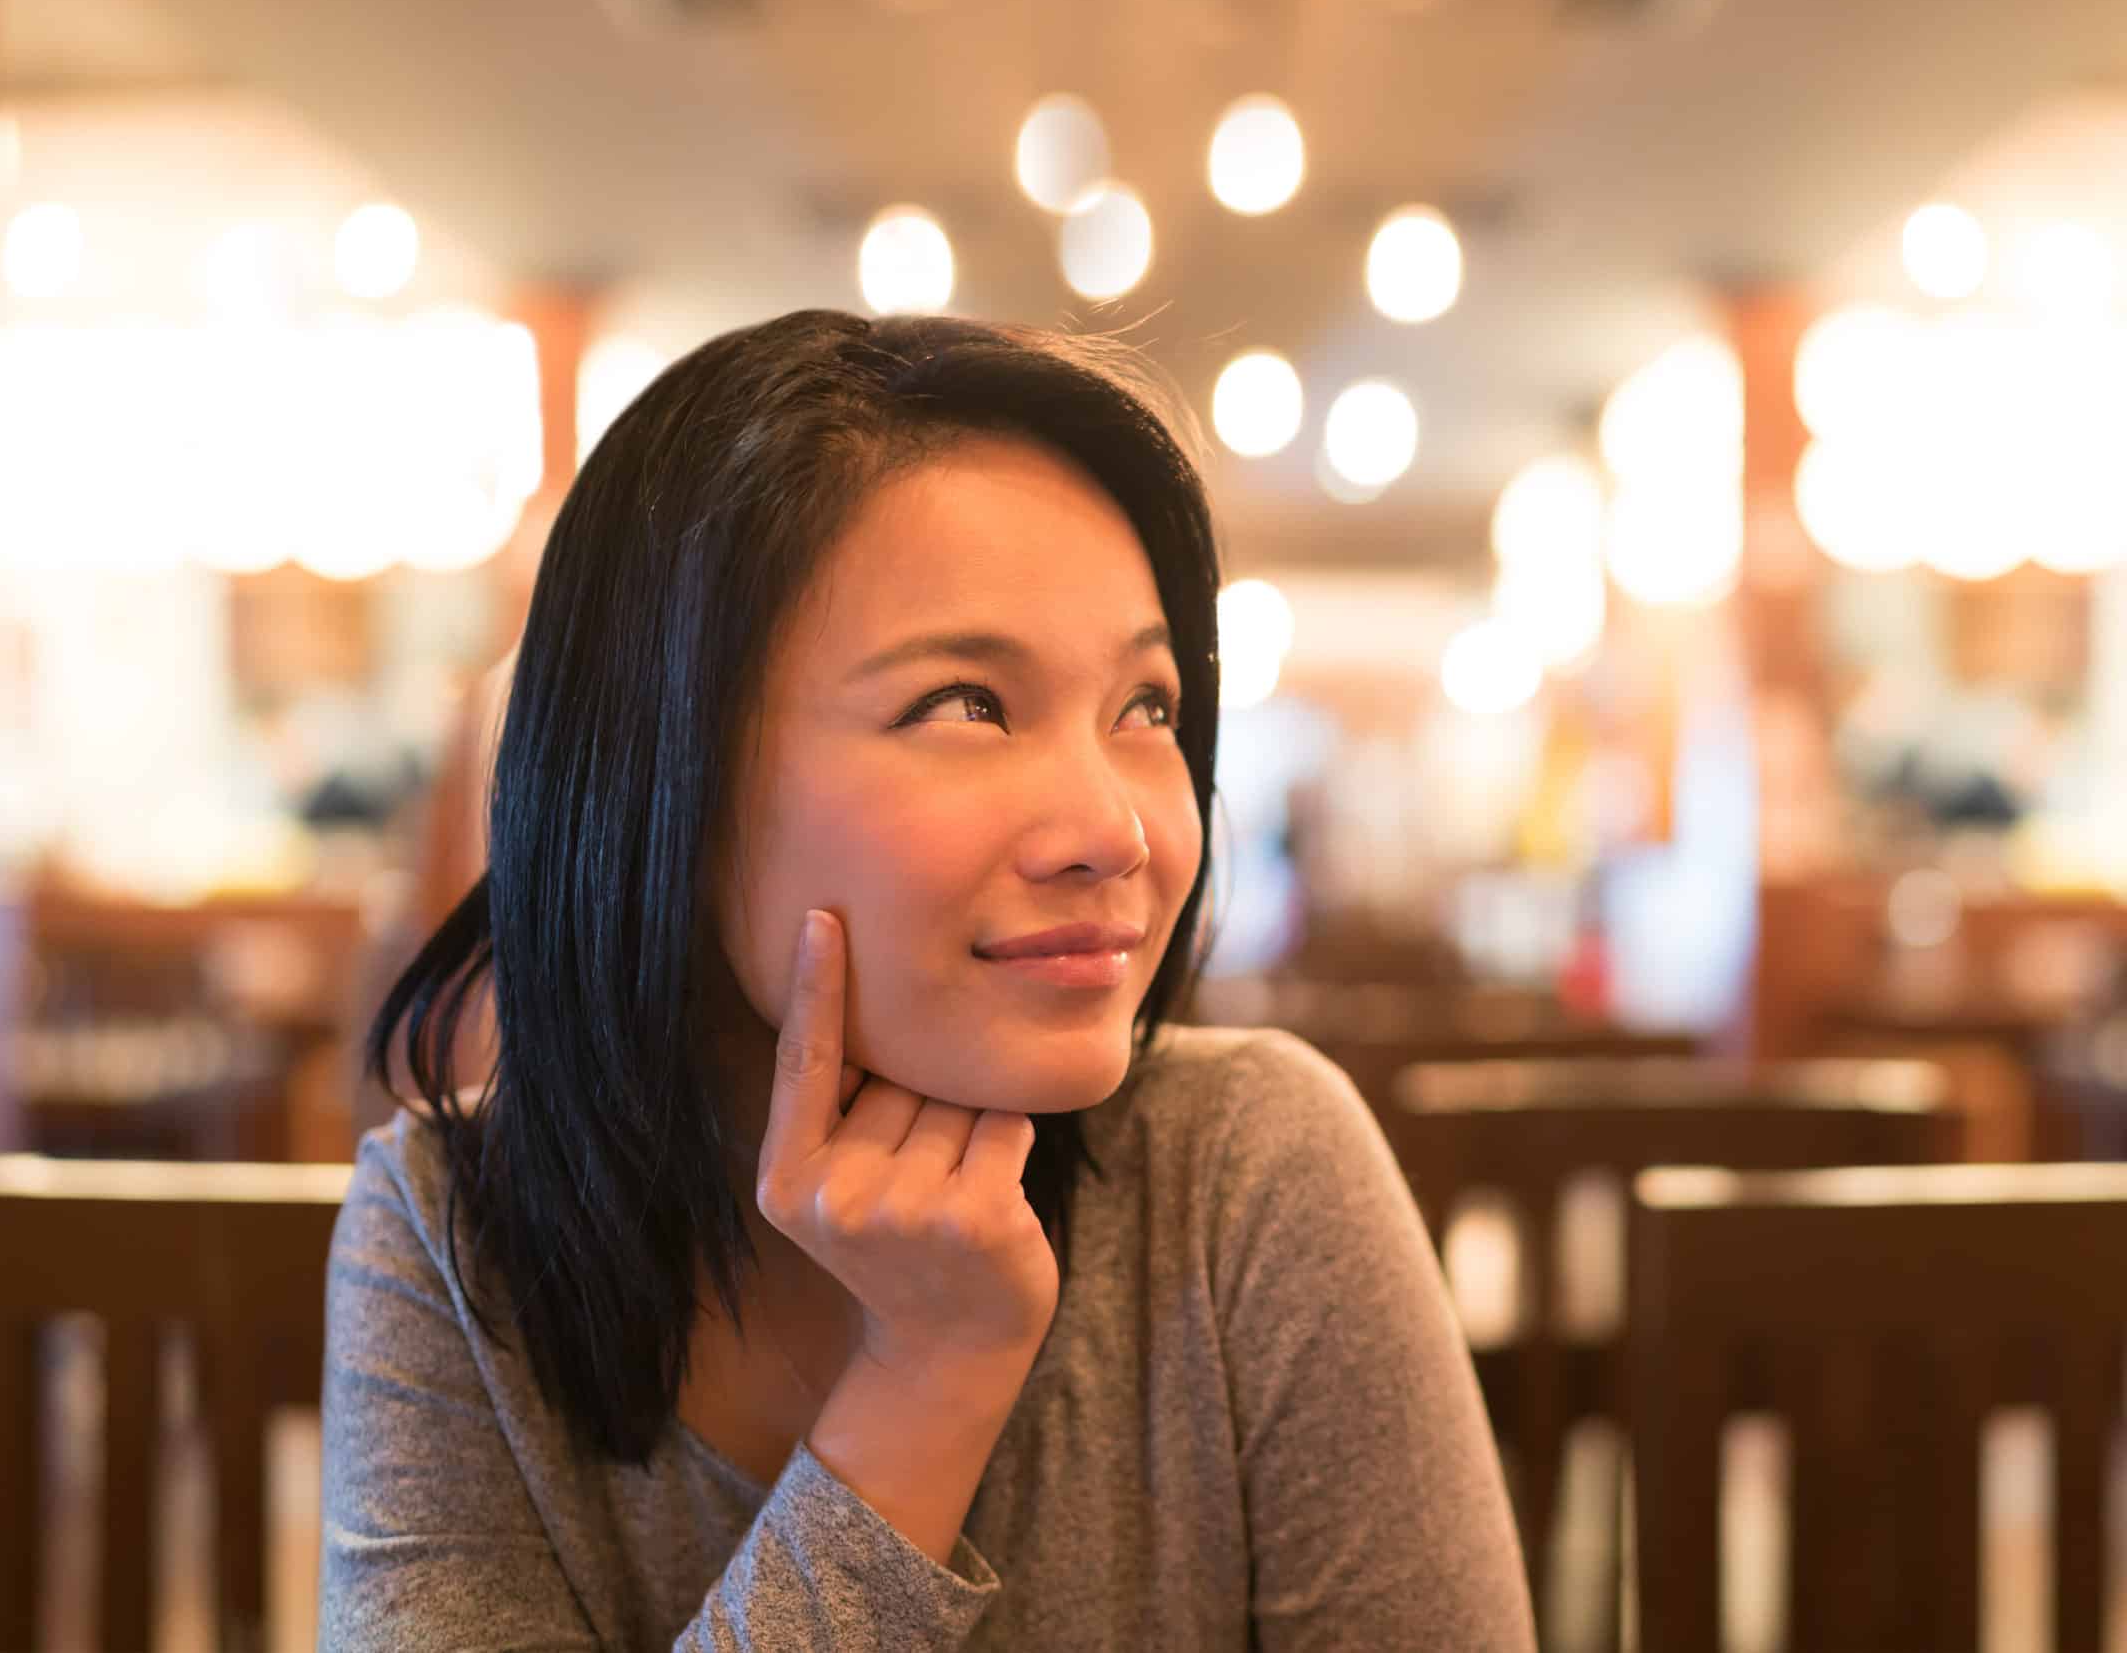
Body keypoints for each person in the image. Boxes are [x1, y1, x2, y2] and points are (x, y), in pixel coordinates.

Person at [321, 310, 1532, 1650]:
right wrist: (931, 1380)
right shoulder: (448, 1243)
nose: (1121, 832)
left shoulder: (1247, 1177)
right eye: (966, 703)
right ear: (664, 776)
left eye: (1147, 708)